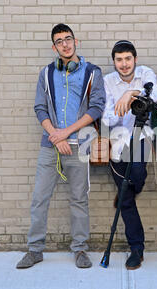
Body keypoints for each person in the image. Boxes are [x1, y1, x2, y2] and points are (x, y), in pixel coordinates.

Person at [16, 23, 106, 269]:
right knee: (39, 198)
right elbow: (40, 107)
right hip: (50, 145)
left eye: (68, 39)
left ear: (76, 41)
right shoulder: (46, 73)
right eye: (59, 41)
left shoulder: (92, 72)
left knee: (79, 199)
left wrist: (65, 134)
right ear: (53, 46)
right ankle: (35, 250)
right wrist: (56, 136)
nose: (65, 44)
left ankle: (79, 250)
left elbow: (97, 108)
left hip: (80, 144)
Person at [101, 40, 157, 270]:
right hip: (117, 142)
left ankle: (131, 189)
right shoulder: (106, 82)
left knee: (137, 173)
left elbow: (154, 93)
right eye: (119, 60)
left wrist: (131, 93)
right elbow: (105, 118)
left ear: (134, 59)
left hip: (141, 137)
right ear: (114, 61)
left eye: (128, 59)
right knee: (126, 200)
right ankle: (137, 249)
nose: (124, 64)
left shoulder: (145, 72)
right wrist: (120, 108)